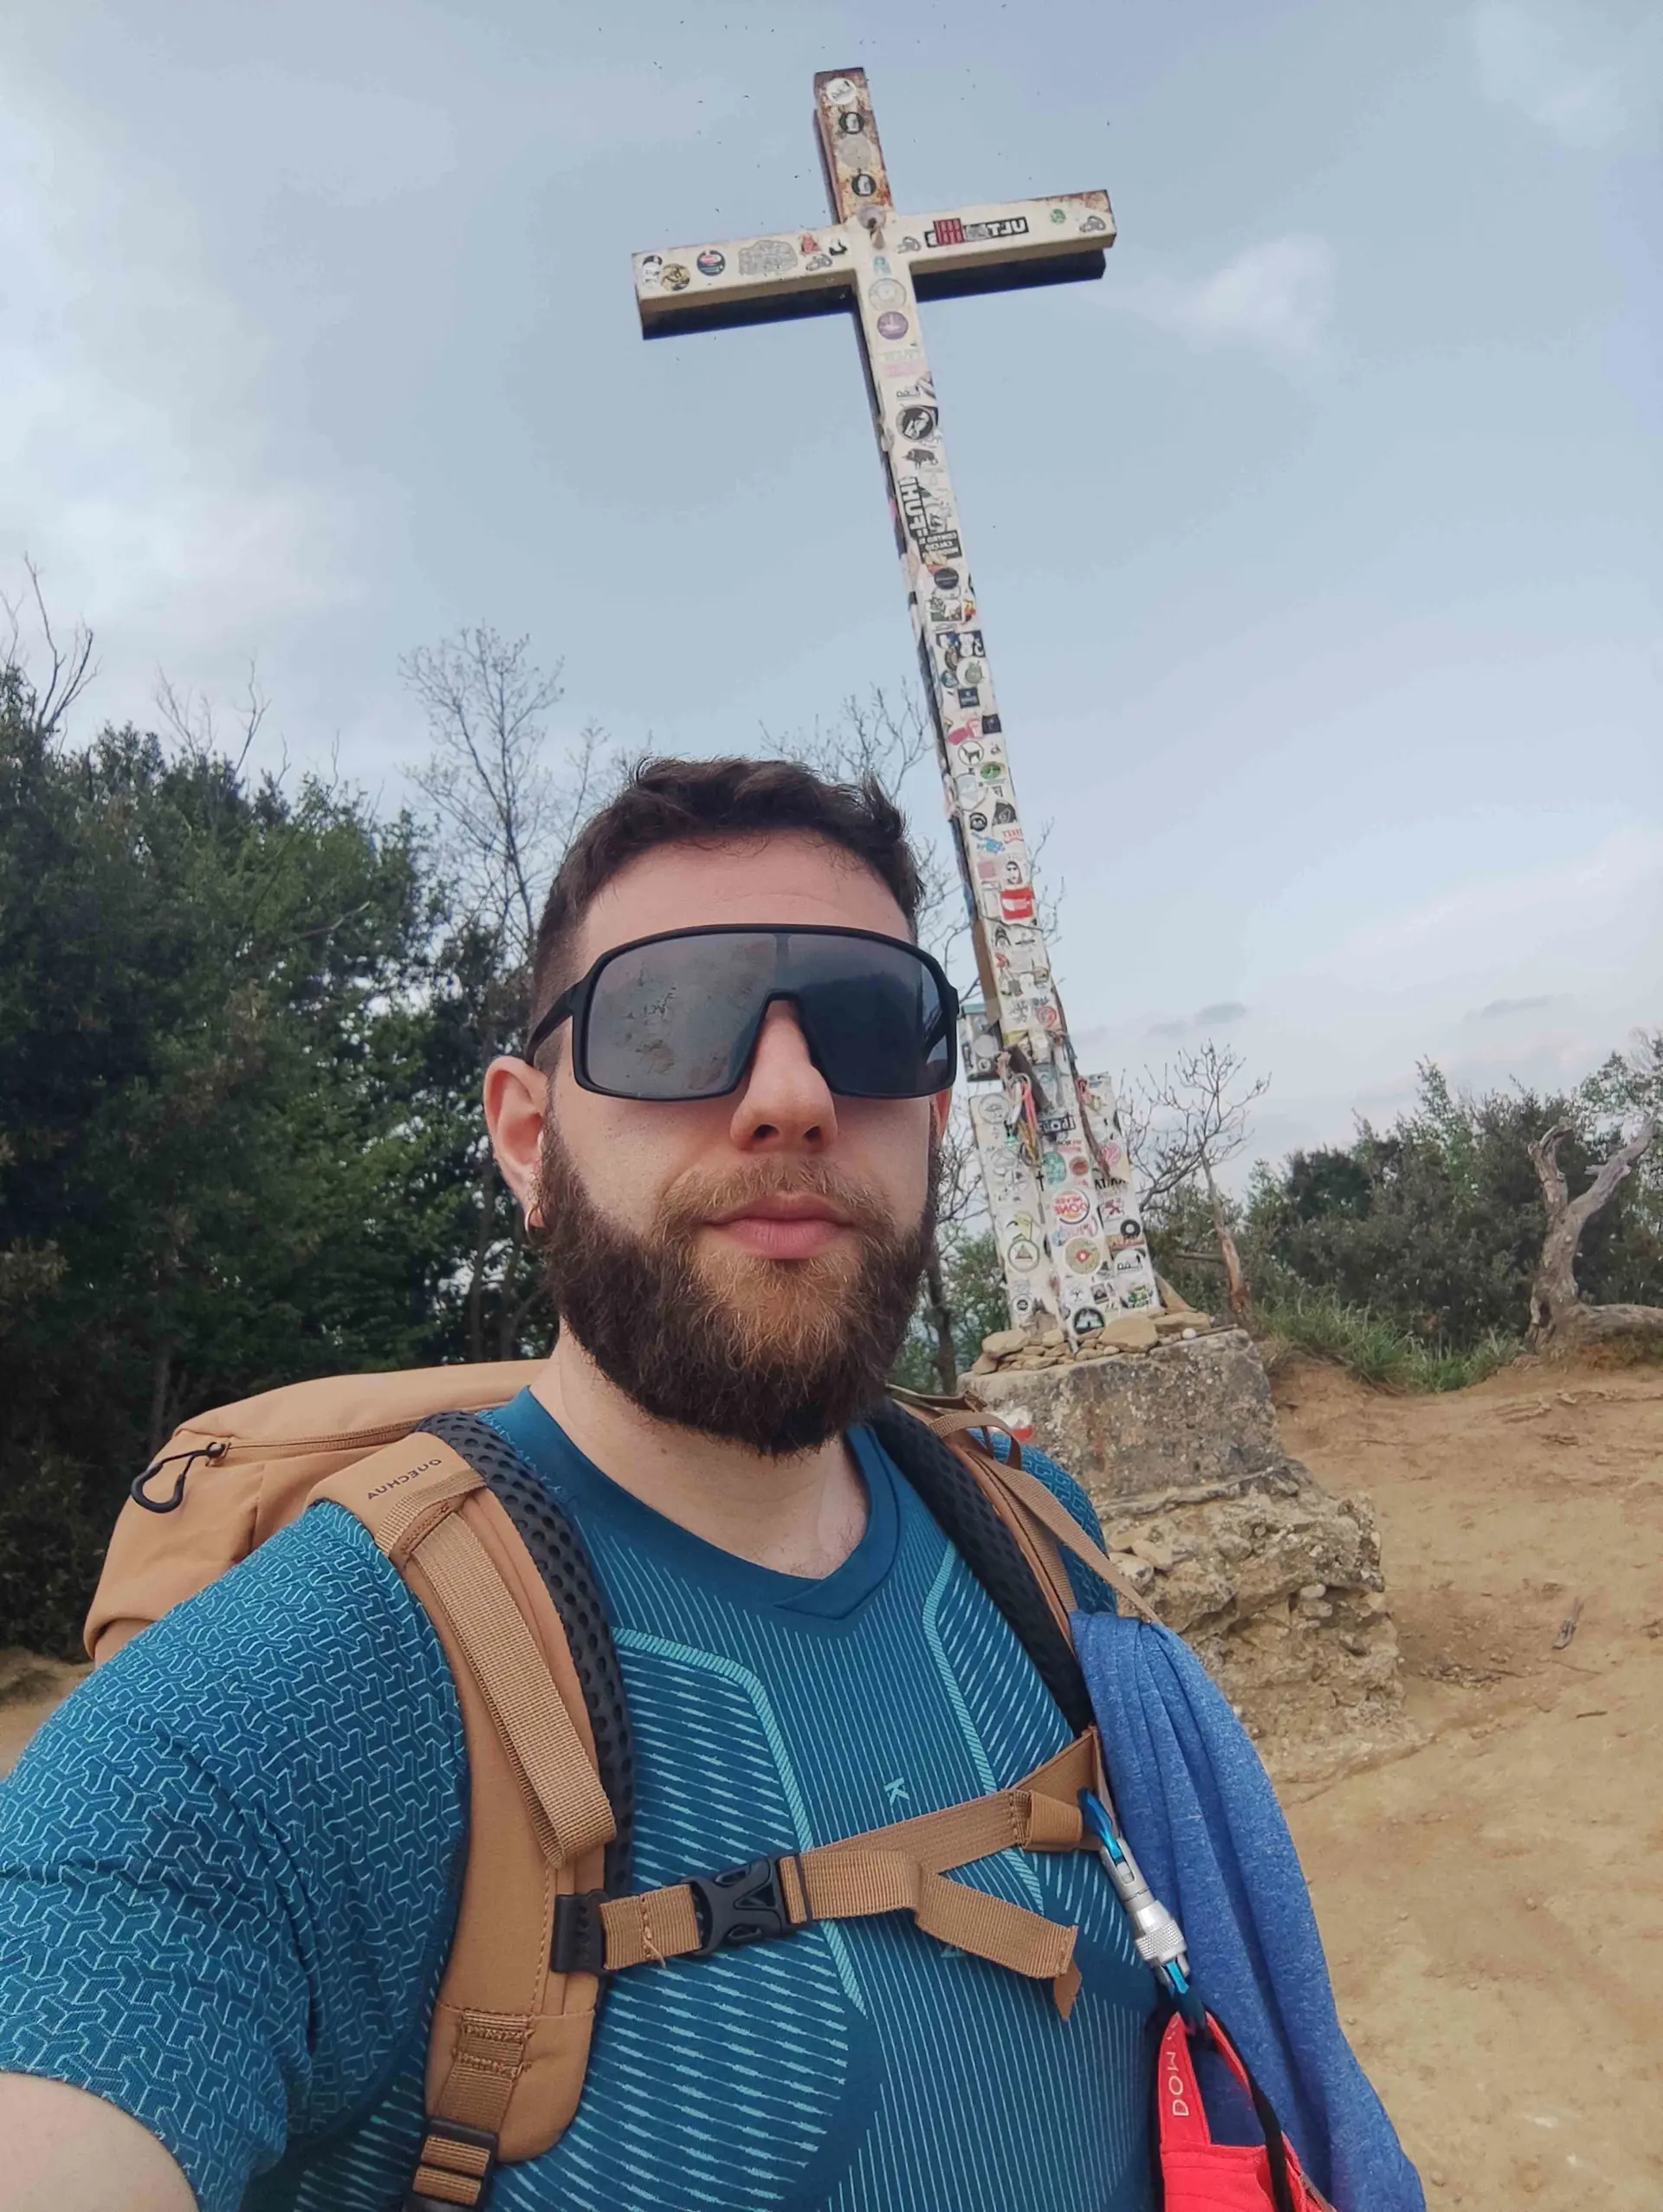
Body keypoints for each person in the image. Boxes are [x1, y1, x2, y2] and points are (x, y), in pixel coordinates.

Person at [0, 759, 1159, 2212]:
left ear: (931, 1117)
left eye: (870, 1024)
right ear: (528, 1137)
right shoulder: (277, 1715)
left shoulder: (1035, 1537)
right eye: (671, 1021)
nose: (793, 1097)